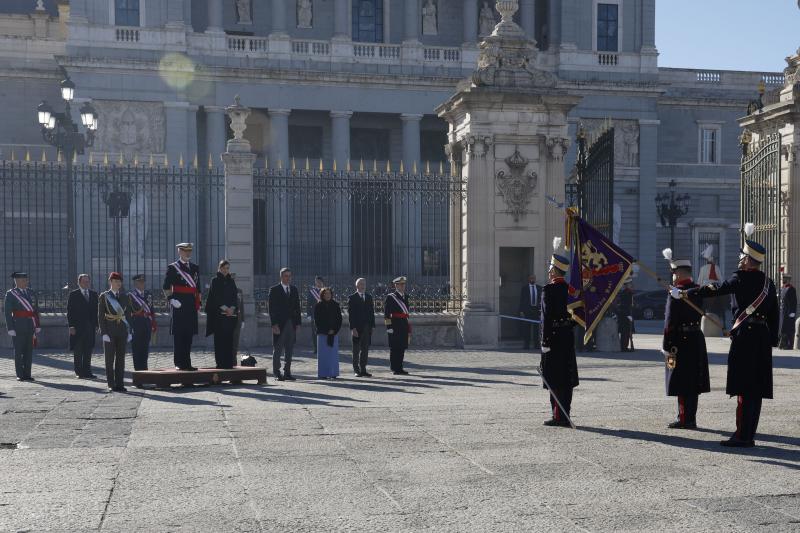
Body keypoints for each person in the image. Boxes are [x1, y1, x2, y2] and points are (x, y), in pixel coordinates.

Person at [676, 223, 778, 447]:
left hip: (745, 338)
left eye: (742, 257)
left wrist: (686, 292)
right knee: (756, 389)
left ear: (748, 260)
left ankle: (742, 436)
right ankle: (749, 433)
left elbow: (714, 289)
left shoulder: (739, 278)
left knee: (744, 387)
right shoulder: (768, 284)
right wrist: (773, 340)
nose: (739, 260)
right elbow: (774, 315)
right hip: (761, 338)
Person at [661, 248, 710, 429]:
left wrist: (667, 345)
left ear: (679, 273)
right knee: (693, 381)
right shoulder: (696, 290)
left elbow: (670, 321)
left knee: (680, 380)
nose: (672, 276)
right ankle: (691, 417)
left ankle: (684, 419)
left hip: (678, 342)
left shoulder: (676, 292)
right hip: (696, 338)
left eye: (674, 272)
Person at [540, 239, 578, 427]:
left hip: (553, 339)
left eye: (550, 270)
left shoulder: (549, 290)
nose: (548, 273)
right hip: (567, 338)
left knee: (555, 377)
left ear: (554, 271)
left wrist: (545, 341)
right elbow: (578, 316)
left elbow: (546, 318)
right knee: (566, 376)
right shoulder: (571, 290)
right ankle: (566, 413)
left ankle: (558, 416)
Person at [163, 242, 200, 371]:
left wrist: (198, 303)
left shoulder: (195, 268)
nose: (188, 253)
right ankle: (179, 362)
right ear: (179, 251)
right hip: (178, 304)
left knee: (188, 335)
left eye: (189, 251)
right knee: (179, 334)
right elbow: (166, 287)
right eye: (185, 251)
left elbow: (197, 288)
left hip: (190, 305)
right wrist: (171, 299)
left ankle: (187, 363)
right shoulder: (173, 268)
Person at [98, 272, 131, 392]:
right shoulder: (104, 296)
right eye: (116, 282)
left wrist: (129, 331)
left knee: (121, 359)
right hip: (110, 331)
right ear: (110, 282)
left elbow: (128, 315)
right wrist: (104, 333)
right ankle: (111, 383)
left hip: (122, 331)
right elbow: (101, 316)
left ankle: (120, 383)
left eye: (120, 282)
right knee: (109, 359)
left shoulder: (125, 296)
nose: (118, 284)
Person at [4, 272, 41, 381]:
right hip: (18, 326)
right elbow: (7, 312)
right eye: (24, 280)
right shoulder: (11, 294)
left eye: (26, 280)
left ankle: (27, 374)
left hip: (30, 326)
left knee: (29, 351)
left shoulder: (31, 292)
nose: (26, 282)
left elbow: (35, 310)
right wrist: (10, 328)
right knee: (19, 351)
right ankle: (20, 374)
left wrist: (37, 324)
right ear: (17, 281)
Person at [205, 260, 240, 369]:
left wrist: (232, 308)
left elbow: (235, 296)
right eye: (224, 268)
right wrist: (225, 309)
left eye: (227, 268)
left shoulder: (231, 281)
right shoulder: (215, 280)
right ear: (219, 268)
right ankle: (220, 363)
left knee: (229, 340)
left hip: (230, 316)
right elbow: (215, 297)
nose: (226, 270)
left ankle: (229, 363)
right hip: (219, 316)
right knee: (219, 341)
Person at [268, 267, 301, 381]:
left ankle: (287, 372)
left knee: (289, 349)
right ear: (281, 277)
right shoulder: (274, 290)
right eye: (286, 276)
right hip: (279, 324)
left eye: (289, 276)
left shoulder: (294, 289)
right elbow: (271, 309)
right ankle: (277, 373)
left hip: (291, 324)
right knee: (277, 349)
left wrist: (298, 323)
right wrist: (274, 324)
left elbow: (298, 307)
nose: (288, 278)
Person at [67, 274, 98, 378]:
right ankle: (79, 372)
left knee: (88, 350)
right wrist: (71, 326)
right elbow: (69, 312)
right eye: (84, 281)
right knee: (78, 350)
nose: (86, 283)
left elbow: (96, 311)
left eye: (88, 281)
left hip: (90, 327)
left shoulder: (94, 294)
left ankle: (87, 371)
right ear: (79, 282)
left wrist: (97, 325)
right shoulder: (73, 294)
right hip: (77, 327)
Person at [348, 277, 375, 377]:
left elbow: (371, 313)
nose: (363, 285)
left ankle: (363, 369)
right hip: (357, 328)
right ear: (357, 286)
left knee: (365, 349)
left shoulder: (369, 297)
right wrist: (353, 328)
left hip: (367, 327)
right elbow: (351, 315)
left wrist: (372, 326)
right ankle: (356, 370)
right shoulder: (352, 298)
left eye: (364, 284)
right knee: (356, 350)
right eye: (361, 284)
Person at [129, 274, 156, 372]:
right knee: (137, 350)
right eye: (140, 282)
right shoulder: (131, 295)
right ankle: (138, 371)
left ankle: (145, 370)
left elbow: (151, 310)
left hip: (147, 325)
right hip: (136, 325)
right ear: (135, 283)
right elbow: (129, 313)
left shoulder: (149, 294)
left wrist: (153, 323)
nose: (142, 283)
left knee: (145, 349)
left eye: (143, 282)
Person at [314, 288, 342, 379]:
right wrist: (326, 330)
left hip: (334, 333)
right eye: (325, 294)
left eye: (329, 293)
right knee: (323, 355)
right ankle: (323, 373)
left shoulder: (335, 305)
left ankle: (333, 373)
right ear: (322, 295)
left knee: (333, 355)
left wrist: (334, 330)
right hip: (322, 334)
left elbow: (339, 319)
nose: (328, 295)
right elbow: (317, 321)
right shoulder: (318, 306)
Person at [384, 276, 411, 375]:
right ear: (396, 285)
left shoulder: (406, 296)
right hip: (395, 326)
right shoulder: (391, 297)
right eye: (400, 284)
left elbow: (406, 313)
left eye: (404, 284)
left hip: (403, 325)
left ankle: (400, 367)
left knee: (402, 347)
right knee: (394, 348)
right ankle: (394, 368)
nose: (403, 286)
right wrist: (389, 327)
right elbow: (386, 314)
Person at [517, 274, 541, 350]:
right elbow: (522, 300)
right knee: (527, 328)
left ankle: (536, 345)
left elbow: (542, 300)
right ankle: (526, 345)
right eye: (531, 278)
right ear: (528, 279)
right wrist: (521, 311)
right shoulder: (524, 288)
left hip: (536, 310)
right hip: (527, 310)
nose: (532, 279)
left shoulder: (539, 288)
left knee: (536, 329)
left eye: (534, 278)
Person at [307, 276, 324, 354]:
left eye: (320, 282)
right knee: (315, 332)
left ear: (322, 282)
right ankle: (316, 348)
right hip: (314, 315)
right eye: (317, 282)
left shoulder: (326, 291)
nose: (318, 283)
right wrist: (309, 314)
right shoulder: (312, 291)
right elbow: (308, 303)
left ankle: (323, 347)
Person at [779, 272, 796, 349]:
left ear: (788, 280)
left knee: (789, 329)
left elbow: (793, 301)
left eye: (784, 279)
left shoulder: (791, 289)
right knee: (783, 328)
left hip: (789, 312)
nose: (783, 280)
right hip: (783, 312)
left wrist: (792, 312)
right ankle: (783, 343)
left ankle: (789, 345)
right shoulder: (783, 288)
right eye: (783, 278)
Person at [616, 280, 634, 352]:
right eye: (630, 284)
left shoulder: (624, 292)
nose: (631, 285)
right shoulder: (627, 293)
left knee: (625, 332)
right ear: (626, 285)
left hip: (623, 314)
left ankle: (623, 346)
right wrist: (628, 315)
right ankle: (624, 347)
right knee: (625, 332)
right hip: (625, 314)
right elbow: (625, 304)